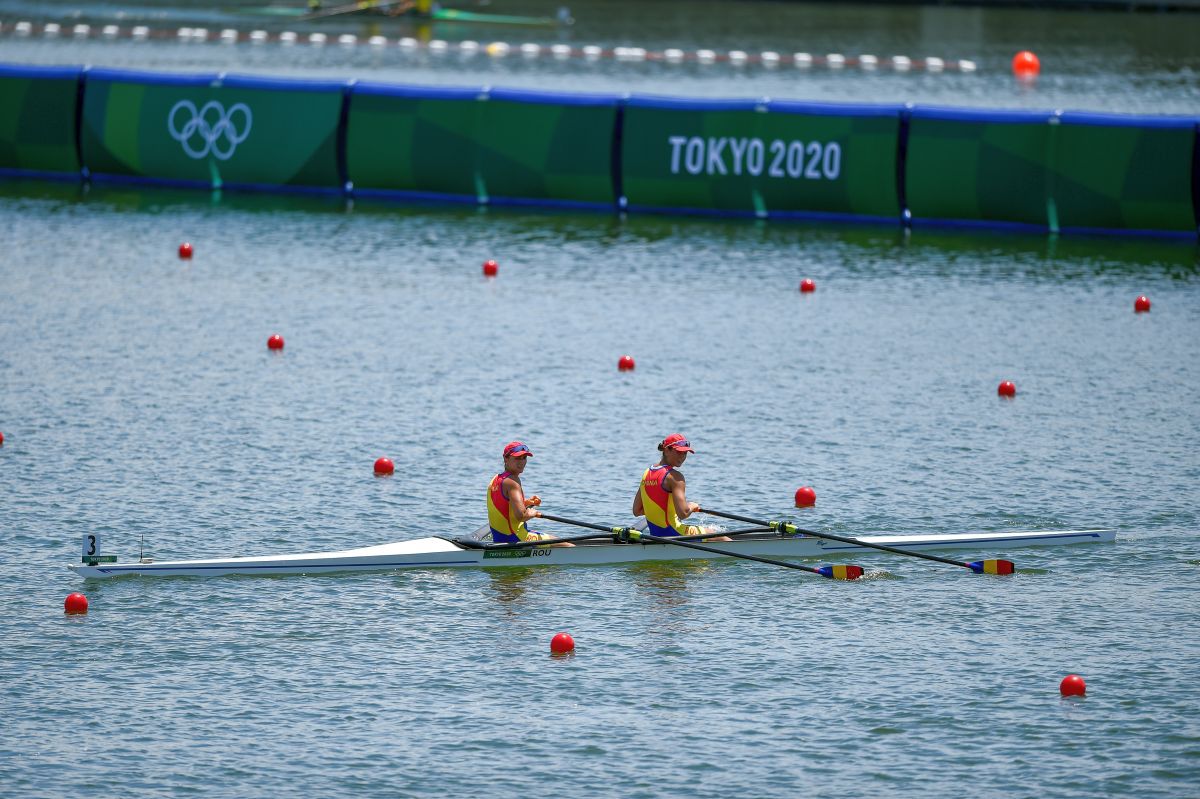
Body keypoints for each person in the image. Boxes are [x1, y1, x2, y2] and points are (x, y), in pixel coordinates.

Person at [632, 434, 730, 540]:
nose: (682, 457)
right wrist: (692, 506)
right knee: (722, 538)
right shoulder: (675, 477)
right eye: (678, 452)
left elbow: (637, 510)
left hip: (656, 536)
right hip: (675, 533)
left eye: (685, 453)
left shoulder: (646, 473)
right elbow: (683, 513)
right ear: (666, 450)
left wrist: (663, 510)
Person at [487, 441, 573, 546]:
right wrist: (532, 512)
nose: (522, 462)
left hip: (500, 538)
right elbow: (521, 516)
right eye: (517, 458)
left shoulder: (495, 479)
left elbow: (504, 507)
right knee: (568, 546)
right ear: (506, 458)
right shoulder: (512, 482)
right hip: (516, 538)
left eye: (524, 458)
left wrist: (526, 502)